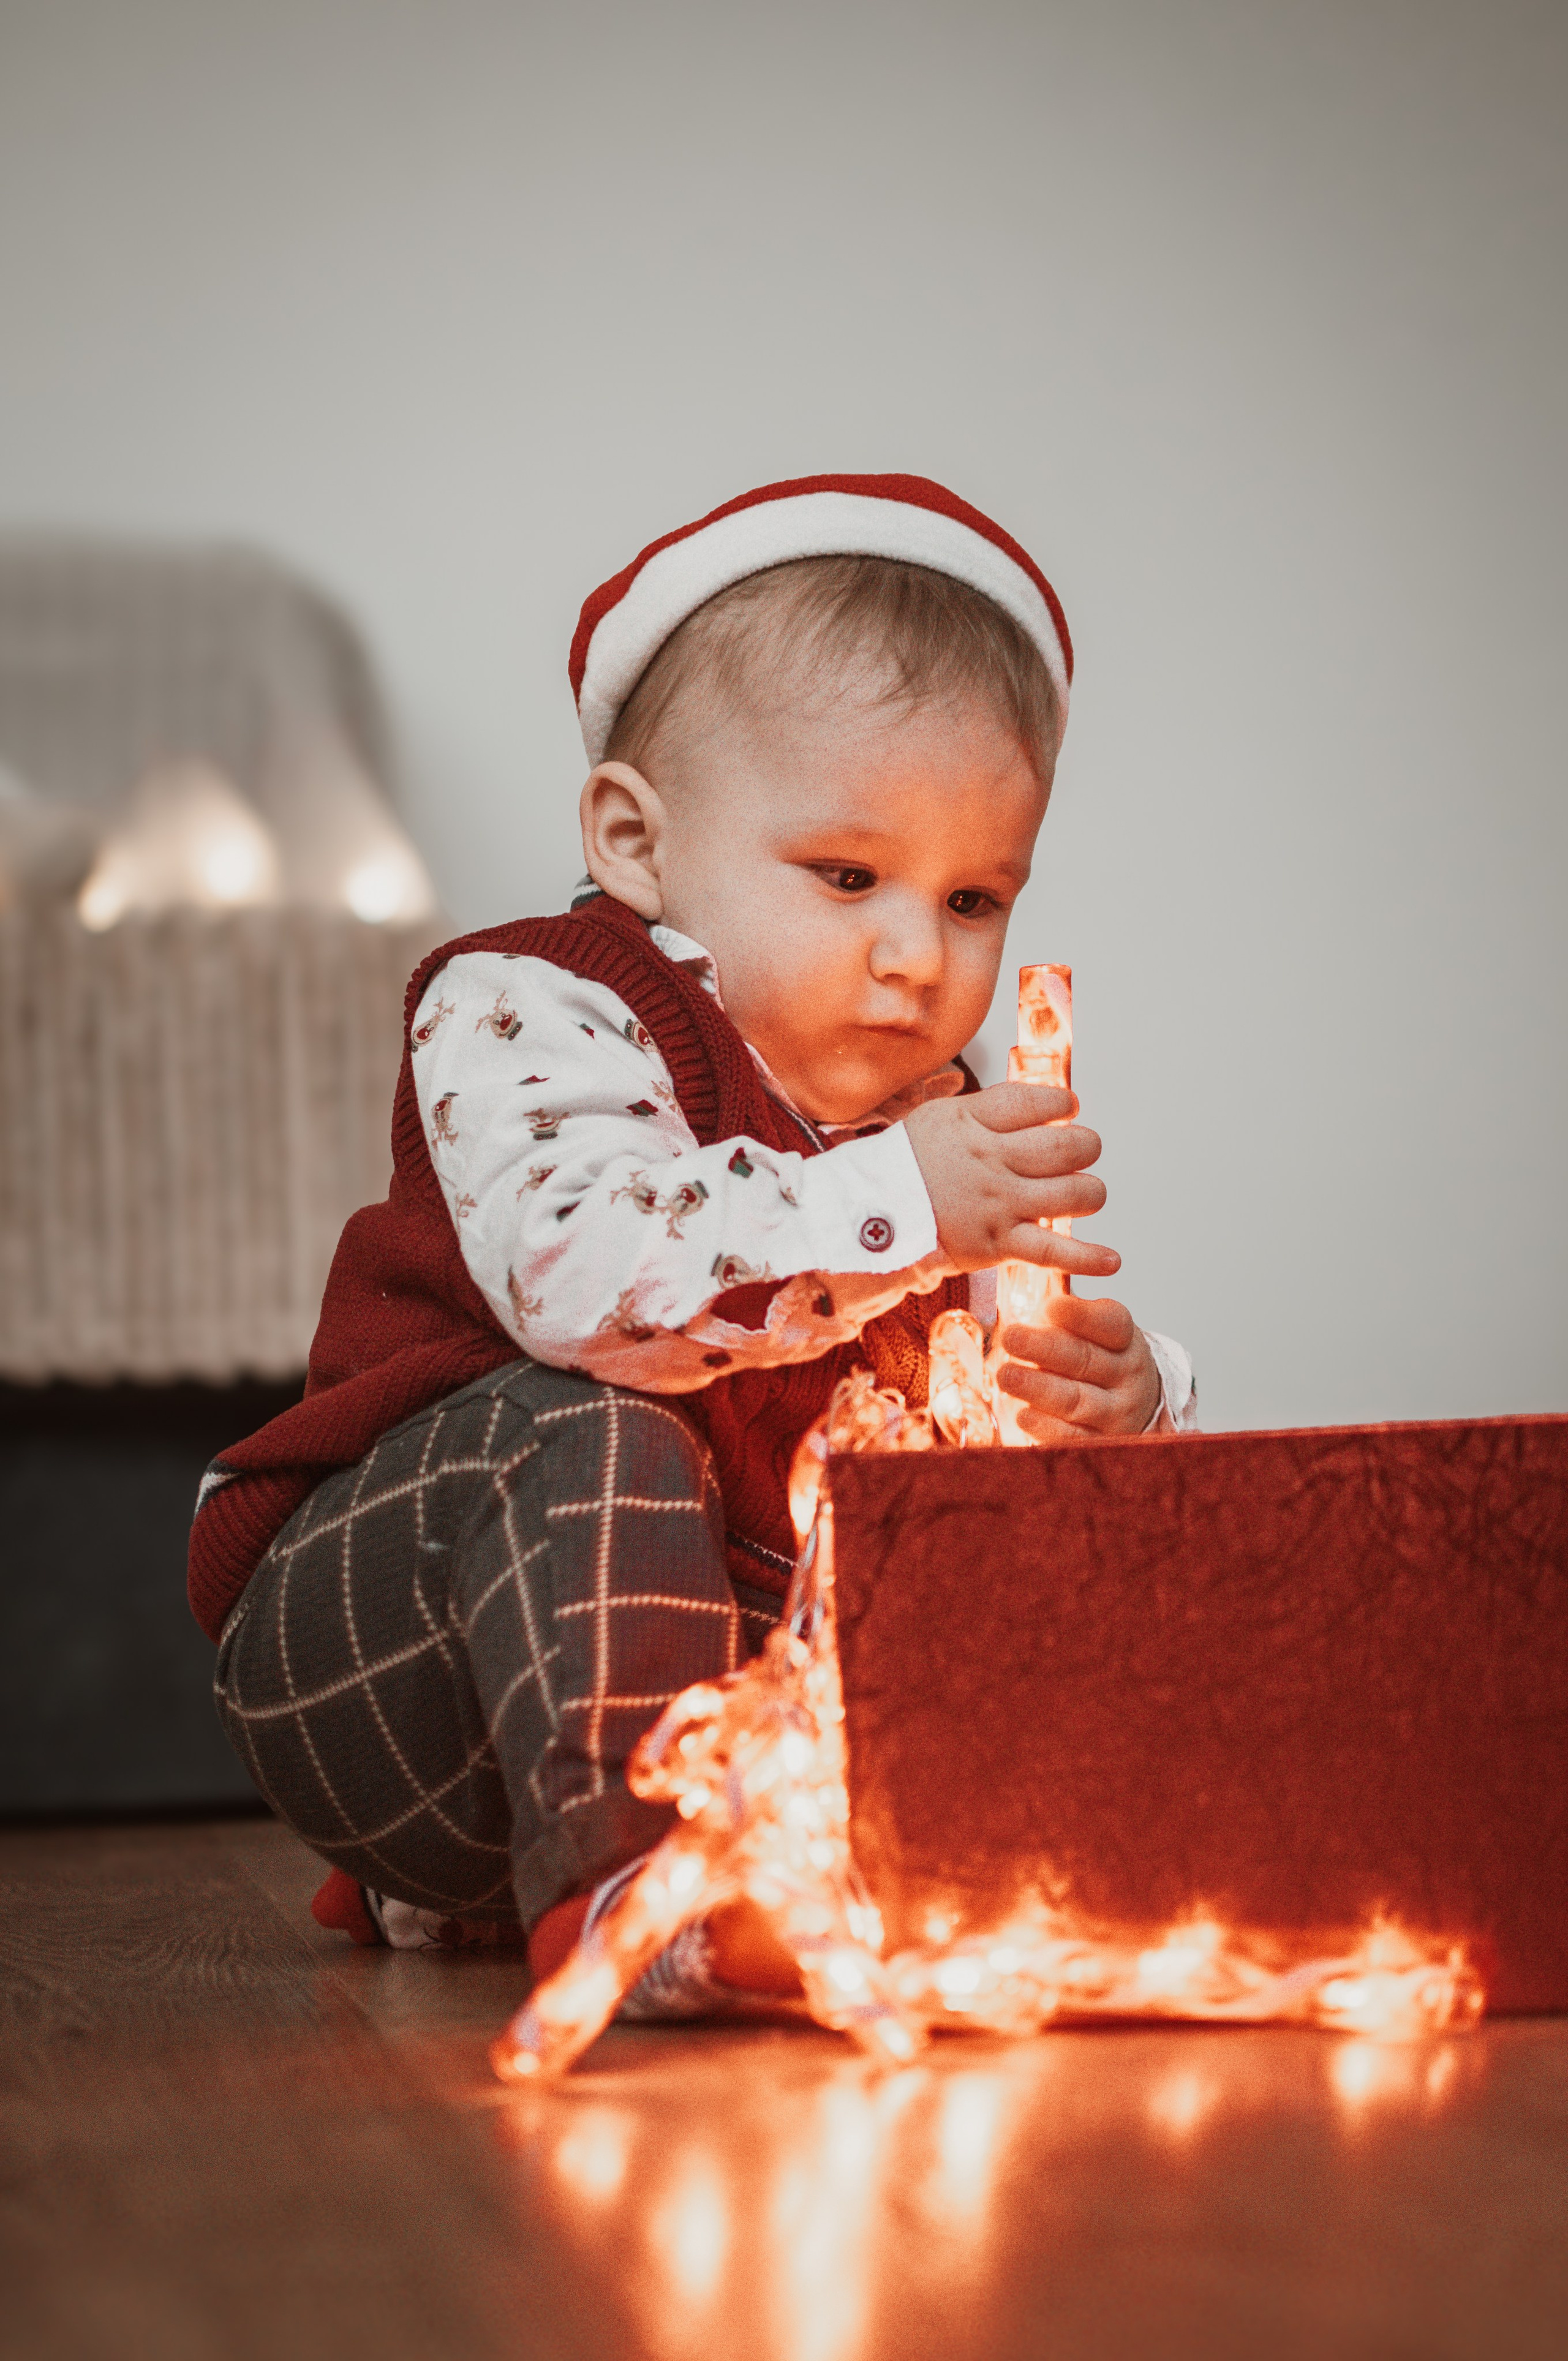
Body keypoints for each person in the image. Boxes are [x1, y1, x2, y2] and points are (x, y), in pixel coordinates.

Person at [194, 473, 1197, 2010]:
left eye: (972, 894)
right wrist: (907, 1206)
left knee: (925, 1524)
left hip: (683, 1725)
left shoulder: (938, 1125)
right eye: (847, 876)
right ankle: (637, 1896)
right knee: (594, 1422)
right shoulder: (533, 1005)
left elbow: (969, 1440)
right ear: (634, 840)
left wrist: (1104, 1407)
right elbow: (583, 1287)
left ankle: (683, 1862)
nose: (916, 953)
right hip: (378, 1653)